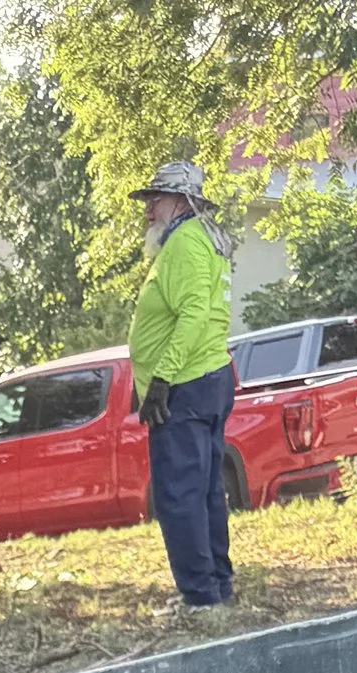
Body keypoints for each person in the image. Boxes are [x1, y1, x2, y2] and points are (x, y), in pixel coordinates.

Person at [130, 160, 238, 608]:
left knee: (180, 496)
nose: (148, 208)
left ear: (181, 202)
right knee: (206, 491)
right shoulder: (201, 242)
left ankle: (201, 598)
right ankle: (216, 588)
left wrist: (161, 381)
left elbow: (193, 314)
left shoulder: (186, 245)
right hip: (207, 378)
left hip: (187, 385)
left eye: (156, 198)